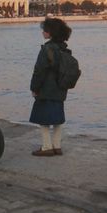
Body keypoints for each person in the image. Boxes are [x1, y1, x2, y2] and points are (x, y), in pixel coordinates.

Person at [29, 18, 72, 156]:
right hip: (60, 88)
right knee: (58, 118)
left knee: (44, 119)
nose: (43, 32)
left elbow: (39, 71)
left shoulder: (47, 49)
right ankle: (57, 146)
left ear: (50, 33)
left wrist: (34, 88)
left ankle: (47, 147)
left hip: (46, 89)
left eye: (45, 30)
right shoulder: (64, 49)